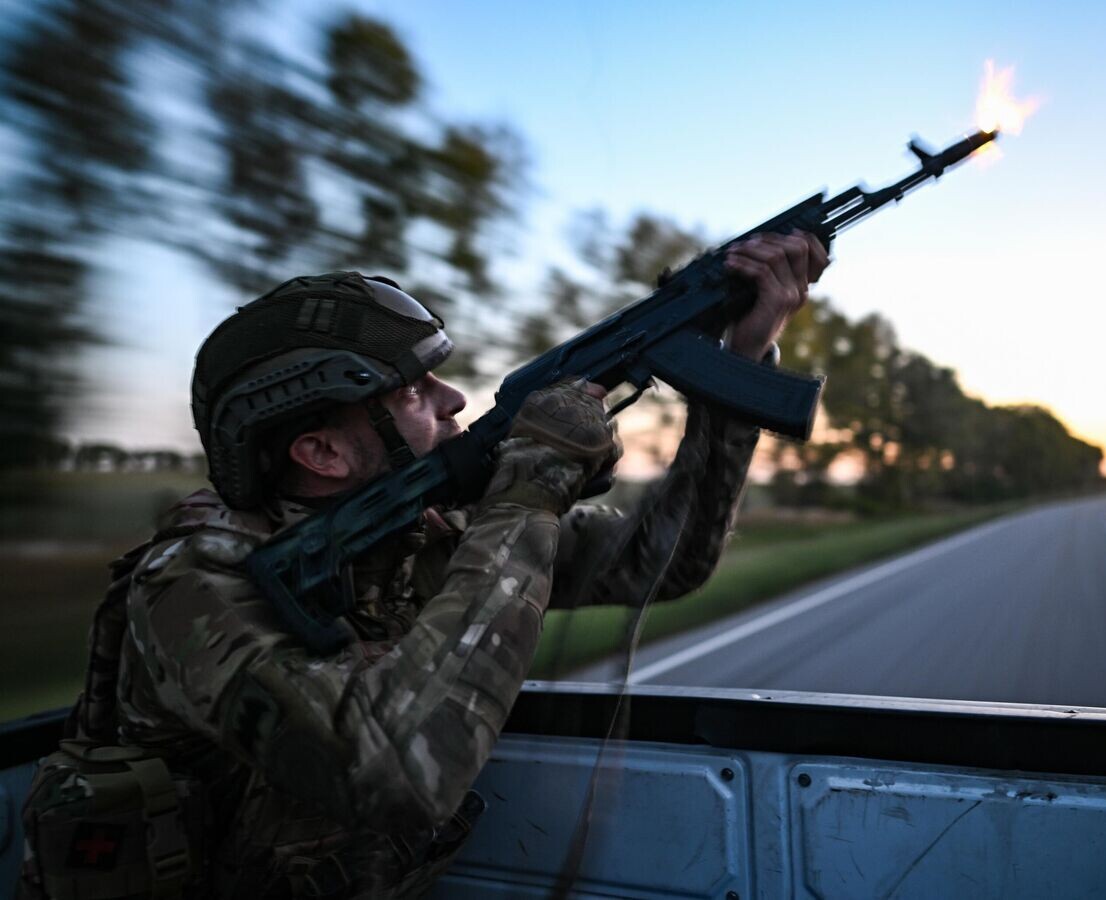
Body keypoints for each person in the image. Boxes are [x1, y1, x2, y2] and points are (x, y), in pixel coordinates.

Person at [21, 233, 827, 899]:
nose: (450, 400)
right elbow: (401, 772)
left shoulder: (430, 522)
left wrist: (739, 364)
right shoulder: (196, 584)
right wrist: (528, 495)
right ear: (321, 450)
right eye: (412, 389)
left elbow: (664, 562)